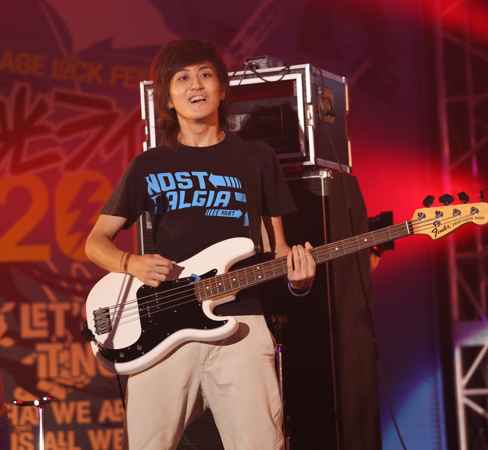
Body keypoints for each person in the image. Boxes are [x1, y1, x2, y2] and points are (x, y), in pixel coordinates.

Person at [85, 38, 316, 450]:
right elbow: (95, 243)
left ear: (222, 89)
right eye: (183, 78)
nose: (196, 84)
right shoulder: (148, 165)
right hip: (162, 325)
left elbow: (279, 250)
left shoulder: (257, 157)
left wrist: (299, 281)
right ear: (167, 98)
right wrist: (131, 263)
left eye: (206, 75)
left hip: (241, 324)